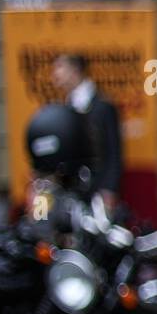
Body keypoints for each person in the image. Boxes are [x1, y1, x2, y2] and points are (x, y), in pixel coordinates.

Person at [51, 53, 122, 213]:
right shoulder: (66, 107)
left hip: (98, 190)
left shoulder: (103, 106)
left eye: (60, 67)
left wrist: (108, 189)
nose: (55, 74)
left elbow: (114, 152)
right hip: (73, 192)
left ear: (74, 71)